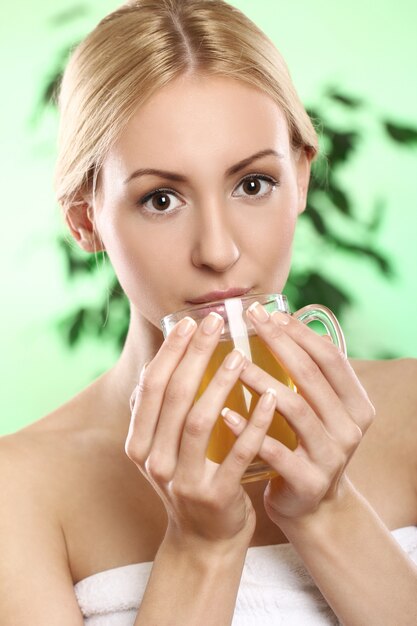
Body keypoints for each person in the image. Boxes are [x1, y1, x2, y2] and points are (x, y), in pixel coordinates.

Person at [1, 0, 416, 624]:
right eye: (160, 198)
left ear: (300, 178)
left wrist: (327, 510)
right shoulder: (16, 493)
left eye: (252, 184)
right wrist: (202, 548)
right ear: (86, 220)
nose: (218, 252)